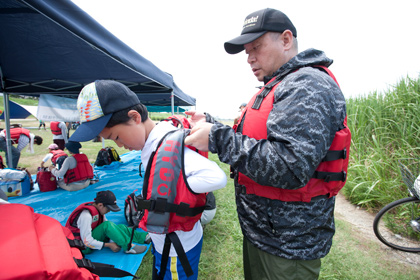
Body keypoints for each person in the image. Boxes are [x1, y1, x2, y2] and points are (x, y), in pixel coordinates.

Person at [184, 8, 351, 280]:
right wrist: (211, 122)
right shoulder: (280, 83)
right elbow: (260, 138)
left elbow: (289, 166)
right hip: (266, 234)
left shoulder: (306, 85)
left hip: (287, 247)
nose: (249, 58)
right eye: (246, 51)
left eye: (256, 48)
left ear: (286, 40)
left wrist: (216, 138)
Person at [69, 80, 227, 280]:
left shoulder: (167, 144)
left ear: (134, 117)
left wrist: (177, 188)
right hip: (165, 240)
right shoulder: (151, 142)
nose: (119, 145)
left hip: (177, 247)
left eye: (116, 136)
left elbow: (217, 177)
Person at [65, 190, 150, 255]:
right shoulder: (86, 216)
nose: (109, 211)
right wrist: (108, 245)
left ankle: (143, 237)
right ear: (100, 205)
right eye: (108, 209)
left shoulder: (99, 211)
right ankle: (128, 247)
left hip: (92, 237)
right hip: (82, 246)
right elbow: (86, 242)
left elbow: (110, 230)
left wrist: (114, 239)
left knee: (119, 227)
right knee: (107, 225)